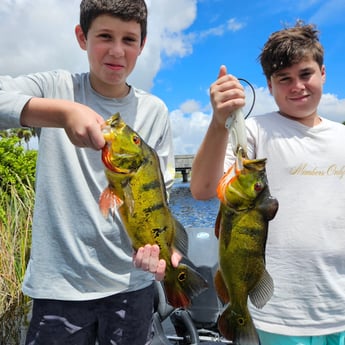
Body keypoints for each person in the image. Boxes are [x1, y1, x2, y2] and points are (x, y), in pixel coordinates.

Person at [0, 1, 179, 344]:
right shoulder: (56, 88)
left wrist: (163, 251)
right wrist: (62, 113)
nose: (116, 50)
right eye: (105, 36)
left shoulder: (155, 111)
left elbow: (160, 193)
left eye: (129, 39)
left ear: (143, 44)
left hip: (133, 285)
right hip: (59, 288)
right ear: (82, 37)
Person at [190, 21, 345, 345]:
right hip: (277, 316)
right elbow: (203, 189)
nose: (297, 86)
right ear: (269, 86)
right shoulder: (253, 132)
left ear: (323, 73)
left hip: (339, 308)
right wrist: (220, 122)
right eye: (283, 79)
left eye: (305, 74)